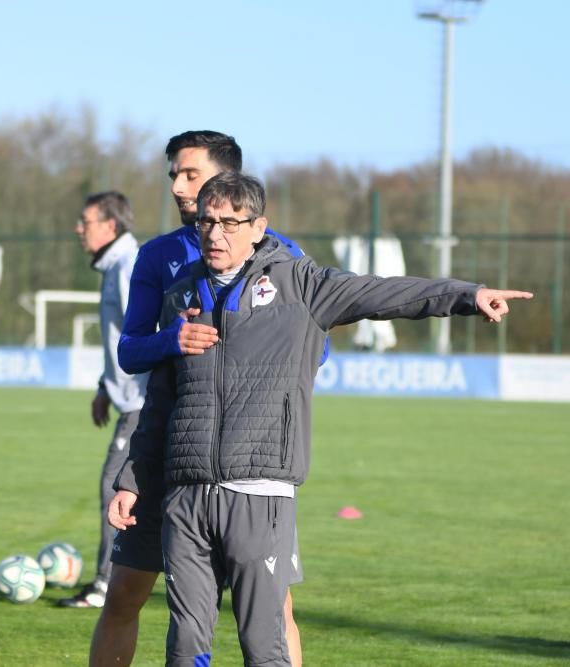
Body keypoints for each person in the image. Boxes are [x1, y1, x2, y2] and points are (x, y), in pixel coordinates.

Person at [109, 171, 532, 666]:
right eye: (206, 221)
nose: (215, 233)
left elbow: (384, 294)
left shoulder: (300, 284)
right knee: (184, 644)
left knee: (263, 645)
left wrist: (467, 295)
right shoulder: (182, 296)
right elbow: (160, 403)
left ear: (258, 226)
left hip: (259, 495)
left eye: (229, 222)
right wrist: (132, 480)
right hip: (187, 496)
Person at [91, 131, 307, 666]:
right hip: (168, 442)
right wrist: (175, 339)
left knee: (275, 609)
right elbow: (131, 351)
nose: (177, 185)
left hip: (244, 457)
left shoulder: (281, 256)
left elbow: (308, 349)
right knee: (124, 594)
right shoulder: (158, 256)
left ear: (225, 179)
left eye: (189, 173)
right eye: (172, 175)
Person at [58, 192, 149, 609]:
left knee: (115, 487)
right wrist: (103, 385)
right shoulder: (115, 265)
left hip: (143, 403)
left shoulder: (129, 267)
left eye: (86, 221)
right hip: (131, 399)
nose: (79, 228)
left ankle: (104, 587)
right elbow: (123, 340)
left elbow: (147, 333)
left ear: (110, 226)